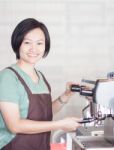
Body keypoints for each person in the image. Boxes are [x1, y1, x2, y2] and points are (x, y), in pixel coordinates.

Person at [0, 18, 81, 150]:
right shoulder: (8, 77)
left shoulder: (40, 76)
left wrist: (65, 96)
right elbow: (15, 125)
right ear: (18, 43)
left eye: (39, 43)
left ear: (45, 46)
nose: (34, 49)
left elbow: (44, 113)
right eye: (27, 42)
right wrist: (60, 124)